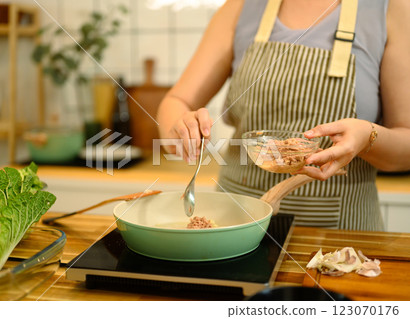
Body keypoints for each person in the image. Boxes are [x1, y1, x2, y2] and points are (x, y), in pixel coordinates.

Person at [156, 0, 410, 231]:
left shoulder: (391, 9)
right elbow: (177, 101)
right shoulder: (241, 7)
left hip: (339, 232)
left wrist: (368, 137)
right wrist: (180, 130)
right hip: (234, 223)